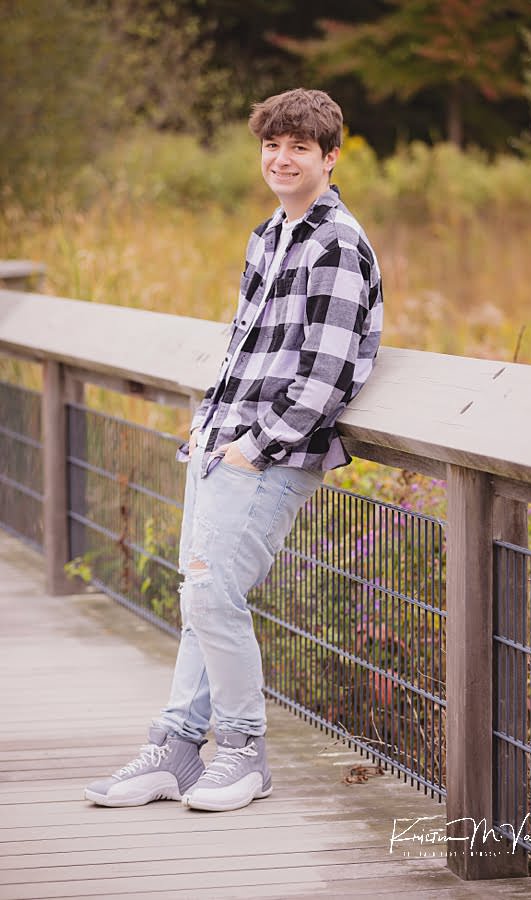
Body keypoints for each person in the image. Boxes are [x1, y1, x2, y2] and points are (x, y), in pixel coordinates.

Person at [84, 88, 383, 812]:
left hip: (272, 454)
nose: (282, 158)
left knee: (212, 595)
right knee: (202, 595)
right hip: (222, 443)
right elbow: (243, 347)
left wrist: (256, 443)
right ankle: (177, 750)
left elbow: (330, 372)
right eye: (272, 145)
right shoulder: (266, 236)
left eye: (300, 147)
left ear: (330, 157)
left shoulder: (337, 242)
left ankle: (243, 753)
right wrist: (212, 428)